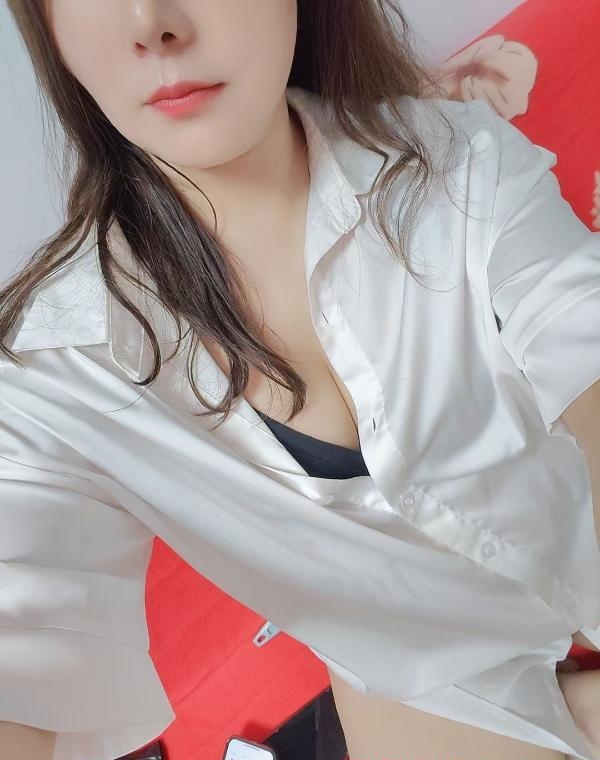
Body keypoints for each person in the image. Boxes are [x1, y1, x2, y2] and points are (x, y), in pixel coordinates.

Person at [2, 2, 600, 760]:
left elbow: (581, 336)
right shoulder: (49, 374)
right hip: (429, 687)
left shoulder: (460, 160)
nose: (152, 23)